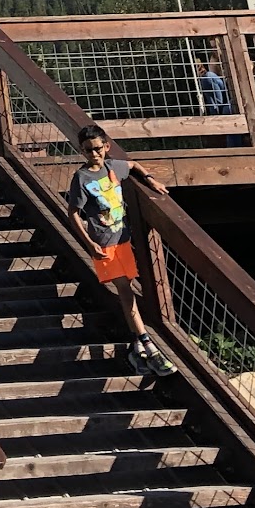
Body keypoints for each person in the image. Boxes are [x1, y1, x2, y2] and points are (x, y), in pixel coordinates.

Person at [66, 125, 177, 378]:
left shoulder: (112, 166)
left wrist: (150, 179)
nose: (94, 154)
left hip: (123, 239)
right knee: (126, 293)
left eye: (97, 148)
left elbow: (134, 164)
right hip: (104, 243)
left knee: (129, 287)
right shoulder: (81, 178)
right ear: (82, 152)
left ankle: (136, 347)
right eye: (88, 151)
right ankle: (148, 343)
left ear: (106, 146)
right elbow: (73, 212)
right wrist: (88, 243)